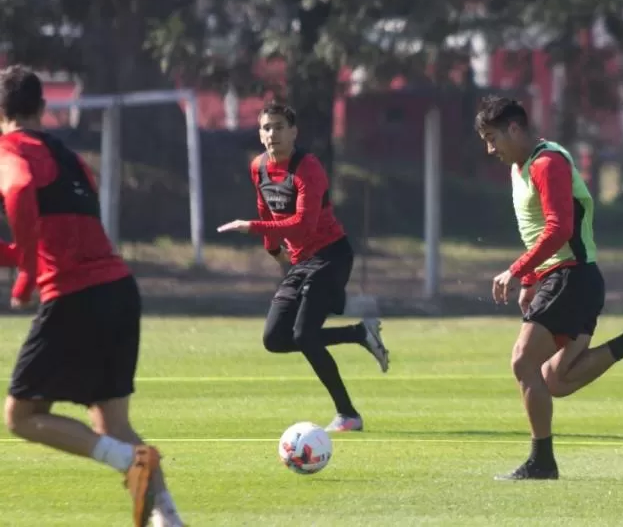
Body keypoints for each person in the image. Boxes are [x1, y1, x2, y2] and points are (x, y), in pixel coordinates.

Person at [0, 66, 183, 527]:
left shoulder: (9, 149)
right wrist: (26, 267)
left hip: (75, 294)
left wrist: (25, 270)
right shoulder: (73, 159)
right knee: (113, 424)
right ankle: (168, 518)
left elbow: (20, 189)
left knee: (21, 418)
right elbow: (70, 225)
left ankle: (129, 465)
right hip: (120, 289)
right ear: (43, 108)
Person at [475, 95, 623, 481]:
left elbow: (560, 229)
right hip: (571, 280)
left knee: (523, 362)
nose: (491, 149)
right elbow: (541, 230)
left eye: (493, 138)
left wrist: (518, 269)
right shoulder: (521, 167)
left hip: (570, 277)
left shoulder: (547, 163)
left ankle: (542, 462)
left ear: (515, 129)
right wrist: (531, 279)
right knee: (556, 380)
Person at [217, 101, 389, 433]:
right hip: (302, 261)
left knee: (305, 335)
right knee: (275, 338)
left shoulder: (308, 167)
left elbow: (301, 226)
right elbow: (265, 207)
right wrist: (272, 250)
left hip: (332, 256)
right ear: (260, 133)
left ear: (294, 132)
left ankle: (348, 414)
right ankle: (358, 333)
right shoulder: (259, 167)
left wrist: (251, 228)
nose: (272, 134)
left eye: (280, 127)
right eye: (267, 128)